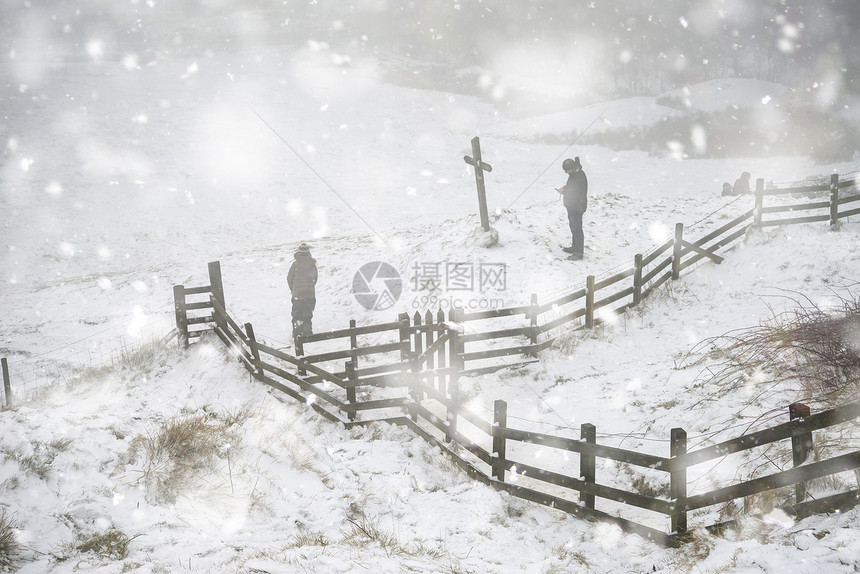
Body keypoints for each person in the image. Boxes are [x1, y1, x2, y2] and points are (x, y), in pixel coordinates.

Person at [556, 157, 588, 260]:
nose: (566, 172)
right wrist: (565, 188)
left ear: (572, 168)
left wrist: (563, 191)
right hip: (573, 206)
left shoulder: (578, 176)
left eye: (567, 170)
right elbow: (572, 187)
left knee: (577, 229)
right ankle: (575, 247)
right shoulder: (575, 174)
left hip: (577, 206)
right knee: (573, 227)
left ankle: (578, 253)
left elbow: (574, 192)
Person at [287, 243, 318, 338]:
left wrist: (293, 289)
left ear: (299, 253)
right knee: (307, 314)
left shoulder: (295, 264)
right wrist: (309, 287)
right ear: (309, 253)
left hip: (298, 295)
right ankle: (308, 333)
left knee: (297, 315)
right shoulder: (312, 264)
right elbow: (315, 278)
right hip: (309, 295)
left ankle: (297, 334)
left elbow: (289, 278)